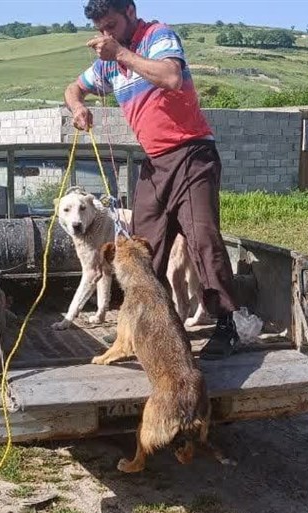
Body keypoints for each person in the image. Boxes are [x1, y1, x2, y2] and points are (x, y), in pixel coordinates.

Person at [64, 0, 240, 359]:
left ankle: (226, 324)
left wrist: (121, 54)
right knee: (142, 245)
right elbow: (73, 88)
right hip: (155, 163)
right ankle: (157, 325)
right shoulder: (108, 63)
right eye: (100, 30)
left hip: (192, 154)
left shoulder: (157, 37)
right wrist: (78, 107)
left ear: (130, 11)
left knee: (202, 237)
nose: (106, 35)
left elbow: (171, 78)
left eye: (111, 25)